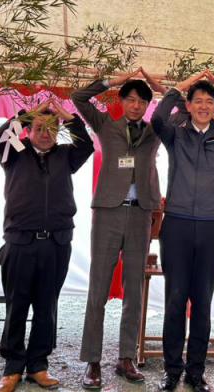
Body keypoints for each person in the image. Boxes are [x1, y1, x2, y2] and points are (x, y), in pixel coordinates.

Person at [151, 70, 214, 392]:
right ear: (189, 105)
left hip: (211, 228)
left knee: (203, 302)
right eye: (198, 101)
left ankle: (196, 373)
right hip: (177, 225)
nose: (204, 106)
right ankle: (172, 370)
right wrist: (180, 88)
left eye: (210, 101)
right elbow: (157, 119)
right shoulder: (175, 136)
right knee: (175, 300)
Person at [0, 98, 94, 392]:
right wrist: (27, 114)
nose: (45, 133)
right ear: (29, 130)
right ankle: (12, 368)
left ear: (58, 131)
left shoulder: (66, 156)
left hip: (56, 243)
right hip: (20, 242)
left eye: (51, 128)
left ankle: (38, 365)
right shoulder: (14, 153)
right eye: (39, 127)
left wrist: (68, 117)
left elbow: (86, 144)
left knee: (47, 306)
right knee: (17, 306)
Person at [72, 68, 166, 389]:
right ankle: (92, 361)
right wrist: (110, 82)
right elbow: (79, 98)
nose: (136, 106)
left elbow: (180, 112)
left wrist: (158, 87)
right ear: (122, 101)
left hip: (141, 214)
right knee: (98, 287)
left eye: (142, 101)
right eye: (131, 99)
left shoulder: (155, 130)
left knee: (134, 289)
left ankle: (126, 357)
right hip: (108, 212)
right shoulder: (106, 125)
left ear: (148, 105)